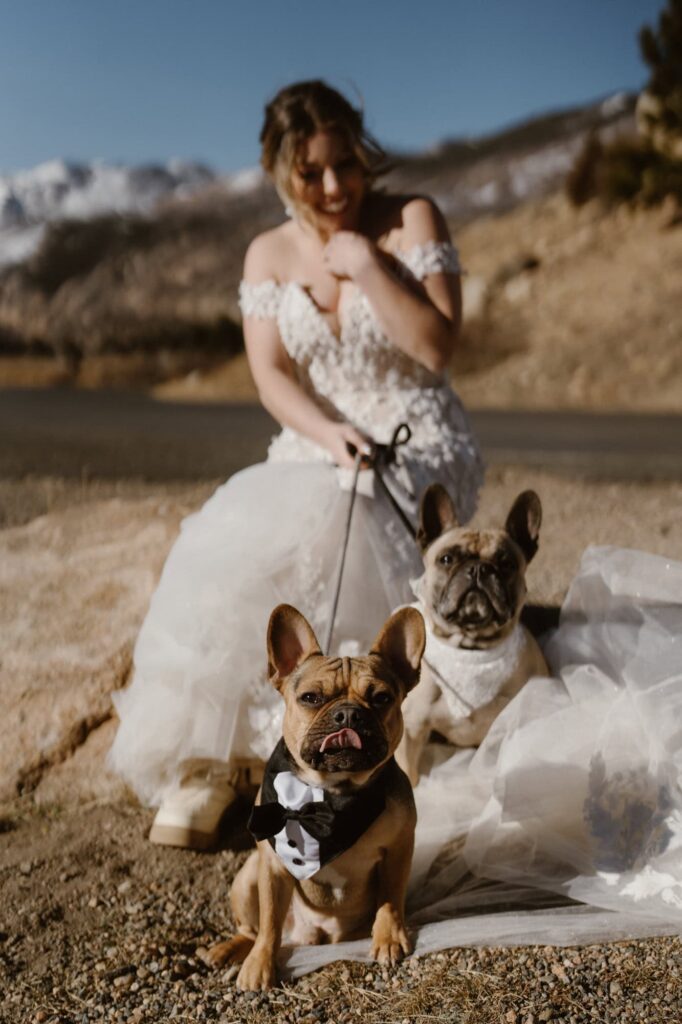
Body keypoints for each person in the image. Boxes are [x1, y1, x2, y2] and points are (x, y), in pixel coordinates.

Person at [108, 80, 484, 848]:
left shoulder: (411, 218)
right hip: (318, 436)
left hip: (414, 434)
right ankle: (226, 763)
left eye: (347, 163)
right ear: (281, 173)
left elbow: (437, 348)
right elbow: (271, 376)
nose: (337, 186)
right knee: (234, 533)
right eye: (313, 173)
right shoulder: (267, 253)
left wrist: (367, 265)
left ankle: (357, 752)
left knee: (342, 516)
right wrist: (326, 431)